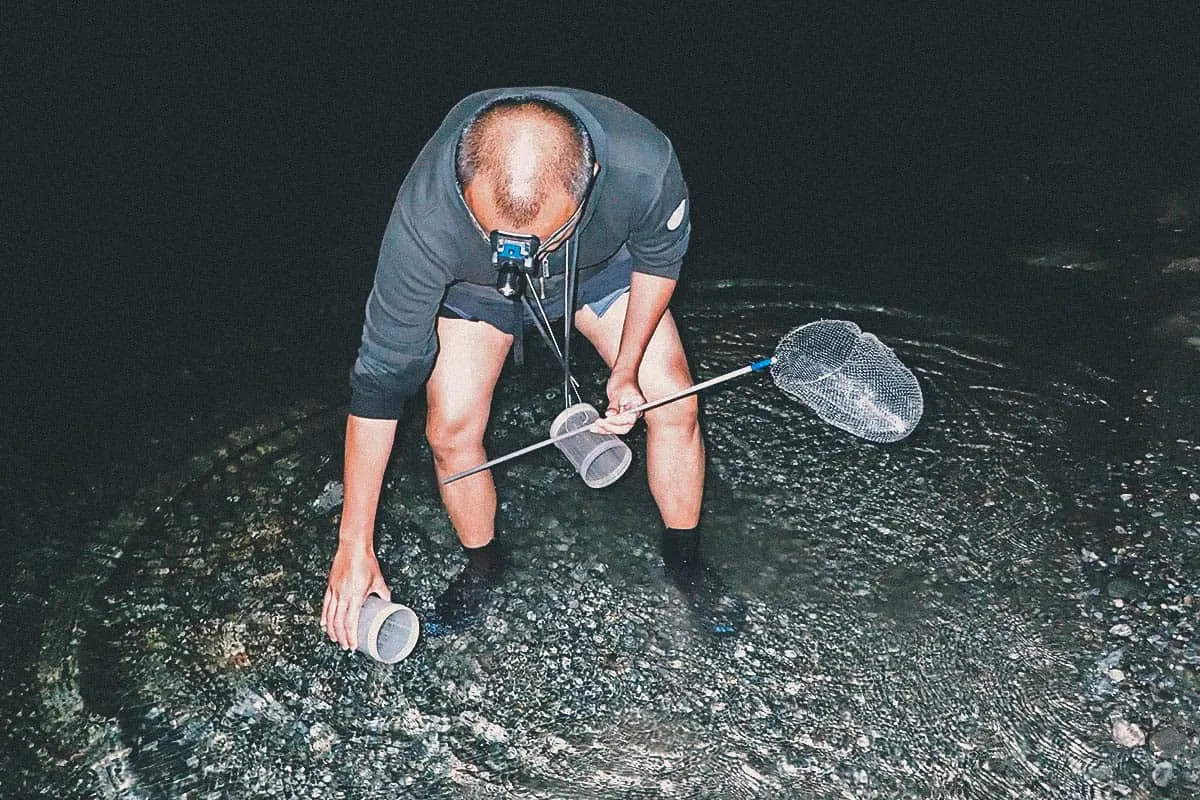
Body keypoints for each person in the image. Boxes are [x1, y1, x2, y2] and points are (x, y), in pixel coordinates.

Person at [321, 87, 745, 650]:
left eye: (540, 239)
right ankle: (483, 567)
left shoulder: (642, 162)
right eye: (501, 237)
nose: (521, 258)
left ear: (590, 177)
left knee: (673, 400)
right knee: (449, 431)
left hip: (599, 271)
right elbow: (379, 382)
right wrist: (354, 543)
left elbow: (660, 260)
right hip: (477, 294)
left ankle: (685, 561)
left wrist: (626, 367)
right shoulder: (424, 219)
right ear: (462, 181)